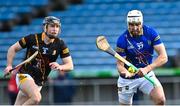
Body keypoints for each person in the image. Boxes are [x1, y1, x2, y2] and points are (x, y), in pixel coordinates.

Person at [4, 16, 74, 105]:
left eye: (57, 26)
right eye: (52, 26)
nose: (55, 29)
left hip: (39, 82)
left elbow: (70, 65)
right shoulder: (32, 38)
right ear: (45, 27)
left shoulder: (60, 44)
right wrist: (9, 65)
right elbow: (12, 49)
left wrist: (60, 66)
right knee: (36, 98)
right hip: (25, 75)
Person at [116, 10, 168, 105]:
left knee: (161, 99)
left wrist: (147, 69)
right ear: (128, 24)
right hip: (127, 80)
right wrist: (126, 72)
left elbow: (164, 57)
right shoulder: (122, 40)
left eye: (137, 24)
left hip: (146, 75)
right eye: (131, 25)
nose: (135, 28)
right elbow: (120, 65)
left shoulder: (151, 33)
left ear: (142, 22)